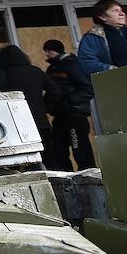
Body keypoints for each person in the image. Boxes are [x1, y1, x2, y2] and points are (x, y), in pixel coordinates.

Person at [0, 44, 63, 169]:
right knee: (49, 158)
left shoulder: (3, 75)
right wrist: (44, 107)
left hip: (17, 125)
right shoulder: (35, 71)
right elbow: (55, 91)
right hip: (41, 123)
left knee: (27, 161)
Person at [43, 39, 96, 170]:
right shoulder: (51, 69)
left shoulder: (73, 65)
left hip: (74, 113)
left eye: (48, 51)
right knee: (58, 149)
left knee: (80, 148)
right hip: (60, 114)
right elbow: (52, 92)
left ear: (56, 51)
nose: (46, 54)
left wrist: (69, 101)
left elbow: (88, 88)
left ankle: (88, 174)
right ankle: (66, 176)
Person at [77, 0, 127, 75]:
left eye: (121, 10)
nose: (122, 13)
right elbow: (87, 62)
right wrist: (111, 69)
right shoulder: (93, 37)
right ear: (102, 17)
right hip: (125, 79)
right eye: (115, 11)